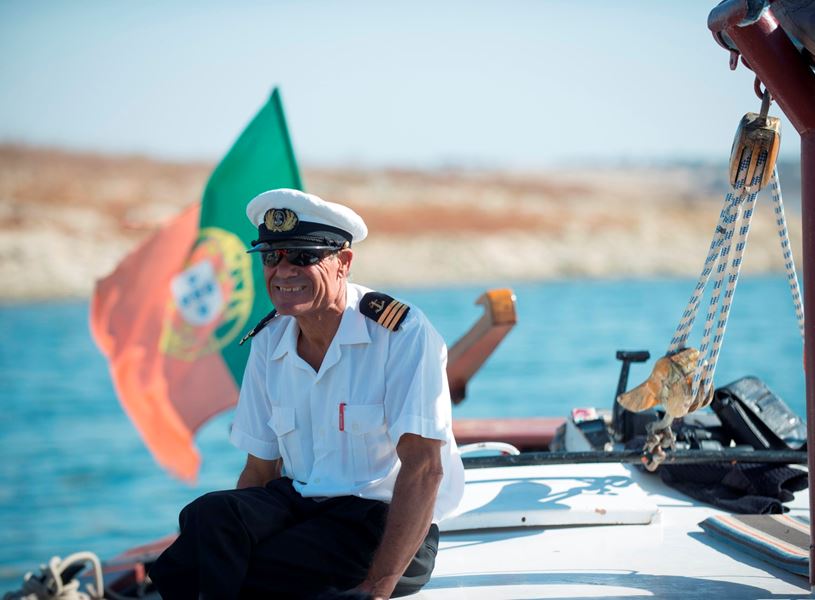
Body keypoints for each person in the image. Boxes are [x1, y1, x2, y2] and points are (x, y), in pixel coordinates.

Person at [149, 188, 464, 599]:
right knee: (207, 517)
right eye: (270, 257)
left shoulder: (400, 333)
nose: (282, 272)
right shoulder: (270, 339)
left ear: (343, 262)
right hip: (301, 505)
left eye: (302, 256)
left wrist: (376, 588)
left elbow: (424, 469)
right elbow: (259, 471)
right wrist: (229, 543)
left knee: (252, 570)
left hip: (381, 521)